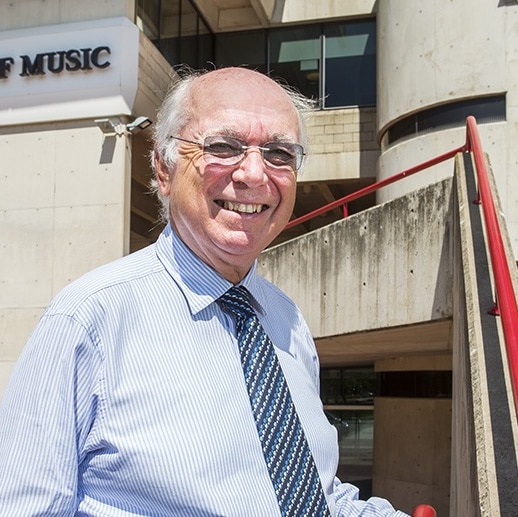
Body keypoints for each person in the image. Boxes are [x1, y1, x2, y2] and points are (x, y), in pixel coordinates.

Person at [0, 67, 410, 516]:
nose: (254, 174)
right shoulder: (88, 320)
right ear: (163, 168)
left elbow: (319, 495)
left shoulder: (285, 318)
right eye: (223, 147)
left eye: (278, 153)